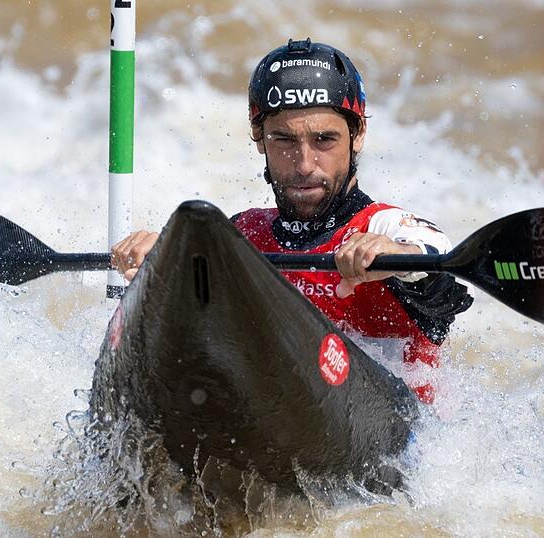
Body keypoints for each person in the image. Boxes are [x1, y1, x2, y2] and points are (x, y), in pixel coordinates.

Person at [111, 38, 472, 403]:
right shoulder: (243, 235)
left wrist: (397, 256)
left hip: (407, 446)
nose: (303, 164)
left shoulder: (383, 227)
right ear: (259, 139)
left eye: (324, 140)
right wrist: (160, 266)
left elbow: (438, 256)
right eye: (283, 139)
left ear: (358, 134)